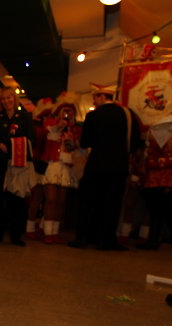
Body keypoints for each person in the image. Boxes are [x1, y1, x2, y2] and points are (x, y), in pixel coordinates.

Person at [69, 83, 141, 250]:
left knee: (89, 202)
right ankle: (108, 240)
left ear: (102, 97)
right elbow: (135, 142)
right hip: (119, 167)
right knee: (113, 204)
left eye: (95, 97)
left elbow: (85, 141)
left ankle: (84, 237)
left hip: (96, 165)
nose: (94, 101)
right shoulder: (128, 114)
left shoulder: (93, 116)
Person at [0, 86, 36, 245]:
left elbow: (31, 139)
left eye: (9, 97)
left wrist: (11, 145)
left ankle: (16, 235)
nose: (7, 101)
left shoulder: (24, 116)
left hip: (18, 165)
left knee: (17, 200)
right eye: (4, 98)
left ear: (14, 99)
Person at [41, 97, 81, 244]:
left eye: (70, 112)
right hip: (53, 164)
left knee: (61, 201)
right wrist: (59, 126)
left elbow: (78, 148)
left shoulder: (75, 129)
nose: (67, 114)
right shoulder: (51, 124)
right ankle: (47, 232)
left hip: (67, 166)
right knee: (51, 200)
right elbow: (49, 135)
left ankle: (55, 231)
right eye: (65, 111)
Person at [136, 115, 172, 250]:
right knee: (157, 213)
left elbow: (150, 160)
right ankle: (153, 240)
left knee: (158, 213)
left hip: (160, 181)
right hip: (158, 181)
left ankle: (153, 240)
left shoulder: (155, 142)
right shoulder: (157, 142)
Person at [26, 97, 54, 240]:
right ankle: (30, 227)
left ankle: (35, 226)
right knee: (36, 197)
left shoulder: (44, 126)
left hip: (43, 165)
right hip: (37, 166)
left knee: (41, 198)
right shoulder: (38, 127)